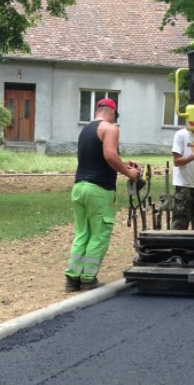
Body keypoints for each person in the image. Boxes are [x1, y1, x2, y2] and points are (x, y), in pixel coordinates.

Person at [64, 98, 141, 292]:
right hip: (98, 190)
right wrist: (129, 172)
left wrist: (123, 164)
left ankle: (72, 279)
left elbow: (99, 158)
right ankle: (88, 278)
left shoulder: (86, 130)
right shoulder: (110, 128)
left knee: (82, 233)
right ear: (112, 113)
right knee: (99, 234)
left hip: (79, 187)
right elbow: (109, 155)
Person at [170, 127, 194, 230]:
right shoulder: (181, 135)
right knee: (180, 223)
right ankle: (176, 245)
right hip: (183, 185)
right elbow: (177, 161)